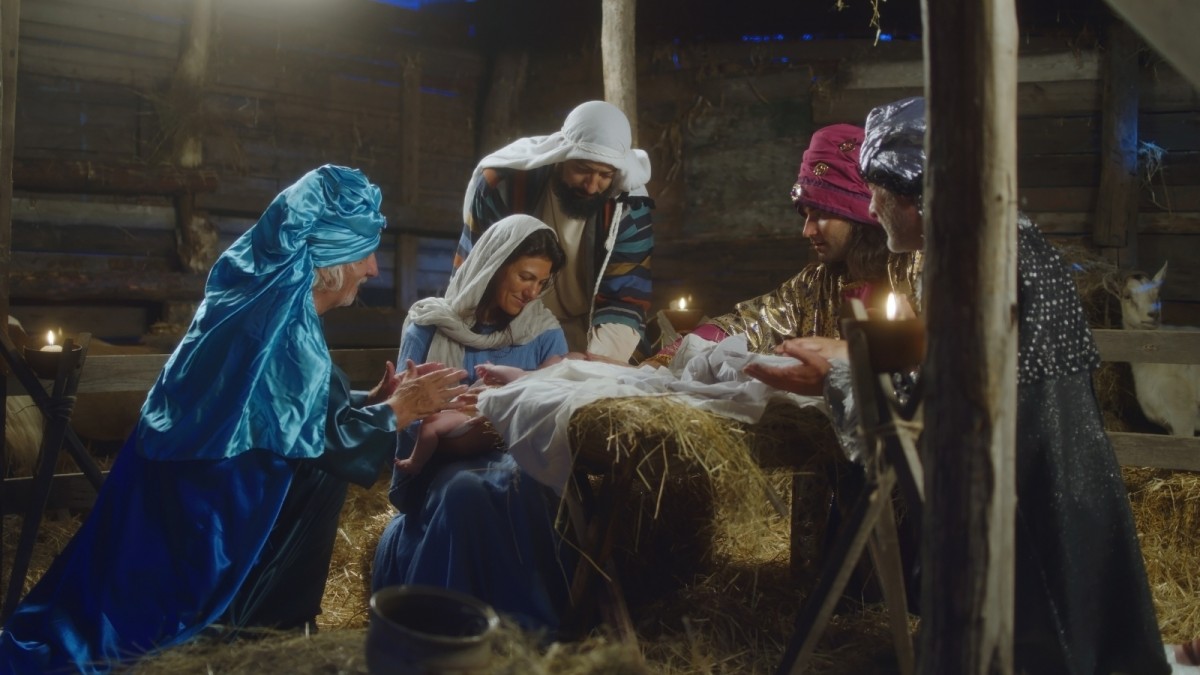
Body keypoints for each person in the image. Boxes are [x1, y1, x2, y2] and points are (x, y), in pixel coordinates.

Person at [747, 97, 1171, 675]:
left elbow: (947, 406)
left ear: (915, 197)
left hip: (1026, 527)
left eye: (877, 194)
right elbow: (971, 365)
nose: (869, 208)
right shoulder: (1007, 248)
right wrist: (874, 351)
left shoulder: (977, 268)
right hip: (1062, 498)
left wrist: (838, 375)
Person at [0, 165, 468, 674]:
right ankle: (267, 625)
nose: (374, 269)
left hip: (169, 500)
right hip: (207, 524)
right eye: (365, 252)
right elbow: (323, 442)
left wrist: (368, 400)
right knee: (320, 479)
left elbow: (277, 407)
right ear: (329, 259)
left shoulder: (256, 300)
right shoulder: (284, 331)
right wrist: (400, 410)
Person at [373, 214, 575, 633]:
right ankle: (451, 629)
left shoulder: (543, 331)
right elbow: (409, 423)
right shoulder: (430, 326)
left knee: (528, 487)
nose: (532, 292)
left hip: (520, 456)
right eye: (525, 277)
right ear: (494, 265)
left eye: (541, 283)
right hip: (443, 463)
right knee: (464, 491)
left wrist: (501, 423)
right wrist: (470, 428)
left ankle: (525, 631)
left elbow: (552, 404)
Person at [458, 100, 654, 364]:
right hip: (507, 324)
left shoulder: (631, 207)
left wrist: (593, 365)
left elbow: (625, 297)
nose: (591, 186)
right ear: (562, 156)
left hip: (594, 329)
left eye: (605, 175)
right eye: (582, 170)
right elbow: (476, 274)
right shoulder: (503, 185)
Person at [393, 362, 552, 476]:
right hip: (472, 408)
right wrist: (493, 371)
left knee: (430, 424)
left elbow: (519, 378)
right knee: (429, 422)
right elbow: (519, 377)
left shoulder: (536, 391)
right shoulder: (534, 382)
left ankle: (415, 462)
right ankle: (417, 458)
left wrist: (493, 370)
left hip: (472, 416)